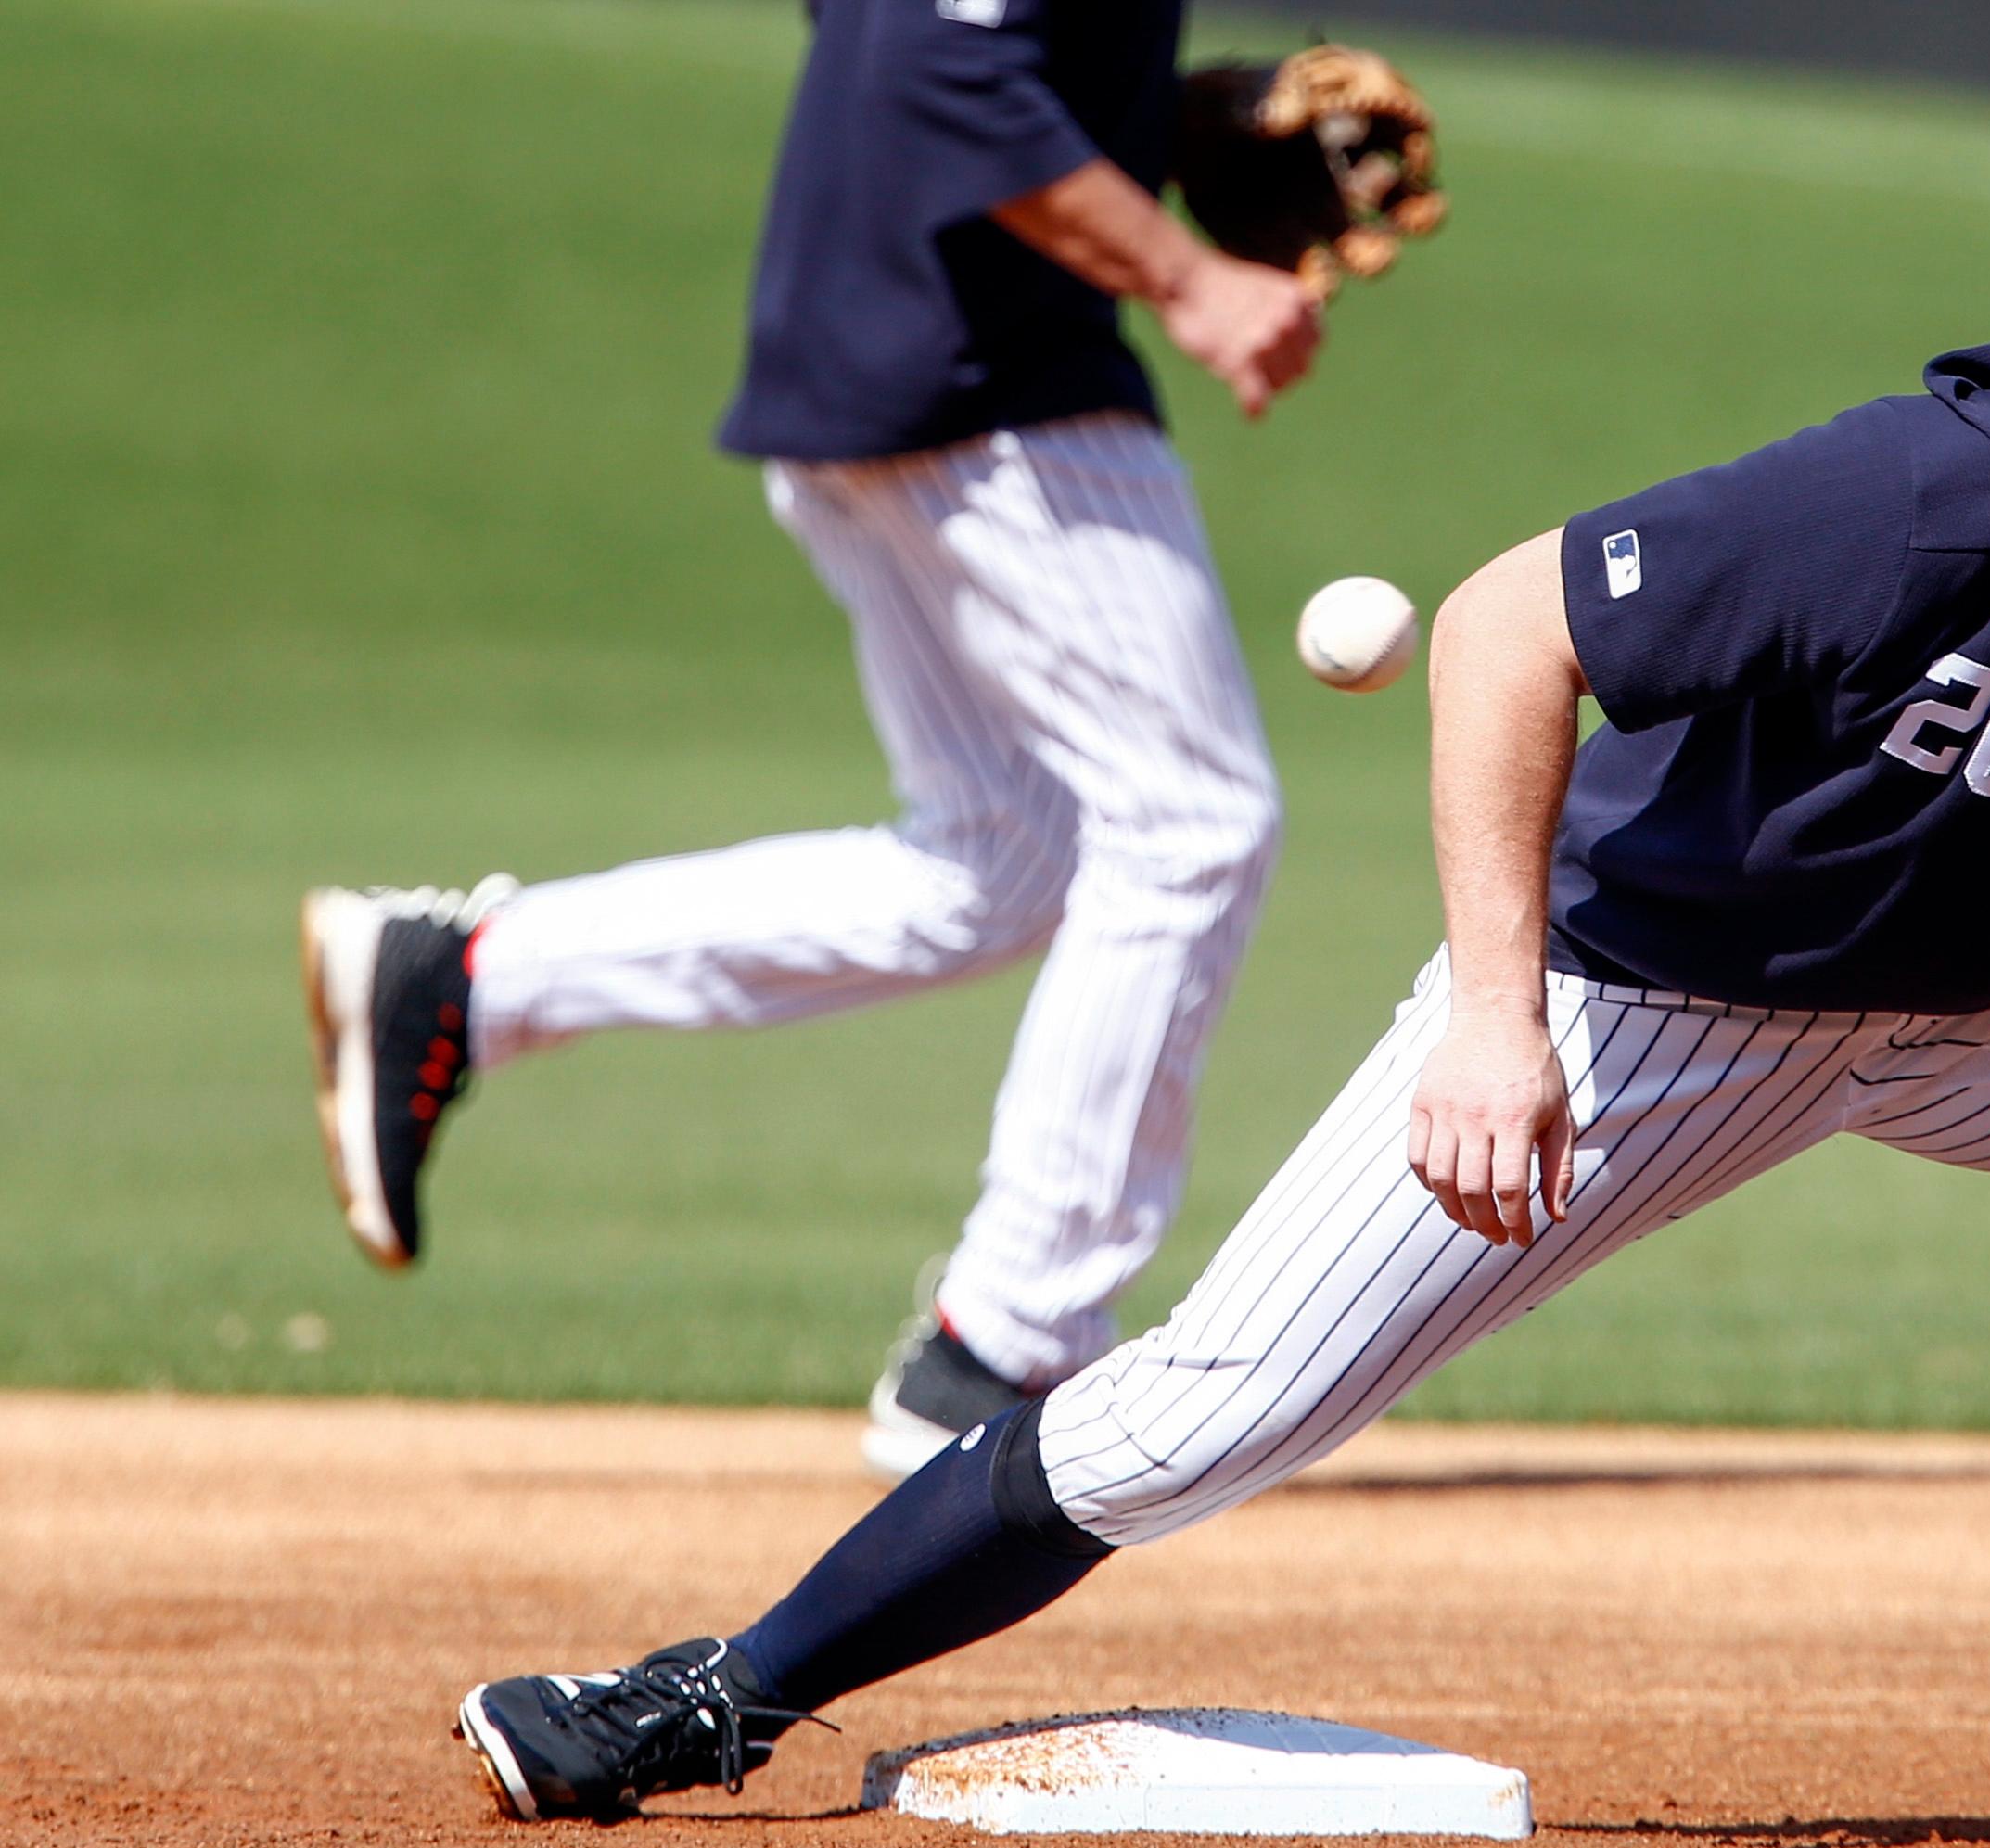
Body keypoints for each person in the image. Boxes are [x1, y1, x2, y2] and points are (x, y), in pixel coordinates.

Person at [452, 179, 1990, 1848]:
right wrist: (1489, 1016)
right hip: (1647, 996)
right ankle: (719, 1689)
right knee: (1205, 1417)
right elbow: (1502, 624)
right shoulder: (1935, 500)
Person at [300, 0, 1323, 1480]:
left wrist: (1145, 122)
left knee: (1002, 858)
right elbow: (939, 62)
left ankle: (470, 980)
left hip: (879, 337)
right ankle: (1008, 1348)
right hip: (987, 381)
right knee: (1192, 824)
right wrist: (1185, 276)